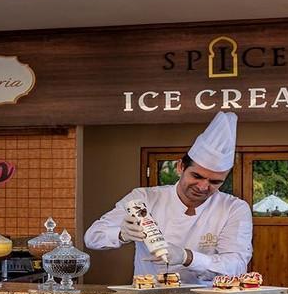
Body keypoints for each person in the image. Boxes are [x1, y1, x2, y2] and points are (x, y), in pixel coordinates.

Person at [85, 111, 252, 284]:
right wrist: (122, 234)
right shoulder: (144, 198)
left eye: (215, 182)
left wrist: (187, 257)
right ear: (180, 167)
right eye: (197, 176)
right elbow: (93, 237)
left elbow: (236, 266)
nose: (203, 187)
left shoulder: (234, 209)